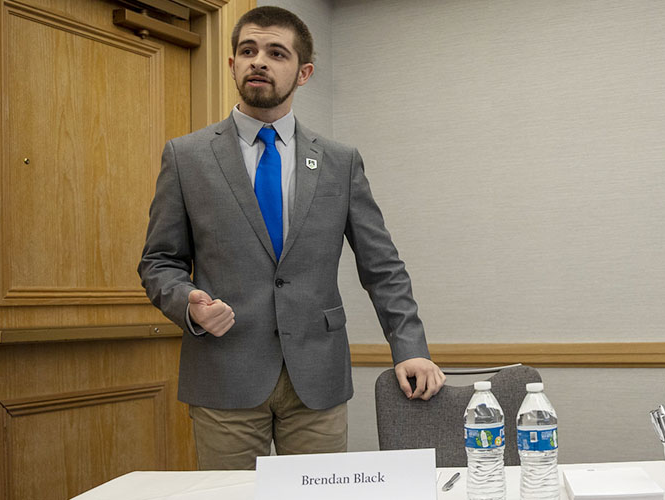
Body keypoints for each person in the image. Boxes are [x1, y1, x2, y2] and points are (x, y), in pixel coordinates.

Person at [138, 6, 445, 470]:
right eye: (248, 51)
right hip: (225, 374)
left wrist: (410, 348)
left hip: (317, 378)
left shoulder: (340, 162)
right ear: (232, 65)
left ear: (303, 73)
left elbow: (382, 266)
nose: (259, 61)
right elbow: (159, 261)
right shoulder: (186, 157)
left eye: (276, 53)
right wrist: (188, 303)